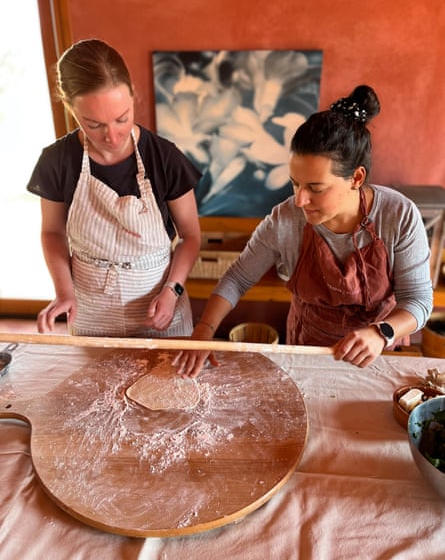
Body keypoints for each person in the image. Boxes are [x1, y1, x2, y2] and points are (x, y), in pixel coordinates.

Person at [175, 85, 433, 377]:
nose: (300, 200)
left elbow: (419, 300)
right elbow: (237, 278)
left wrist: (382, 331)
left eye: (315, 188)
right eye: (295, 183)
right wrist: (204, 331)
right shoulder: (285, 219)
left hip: (376, 352)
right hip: (306, 347)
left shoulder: (398, 215)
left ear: (356, 178)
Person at [27, 39, 202, 337]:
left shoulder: (165, 158)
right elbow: (52, 232)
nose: (112, 136)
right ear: (70, 107)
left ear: (132, 94)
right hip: (90, 308)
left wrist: (172, 291)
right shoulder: (56, 161)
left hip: (159, 306)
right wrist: (64, 291)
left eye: (122, 118)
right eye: (94, 125)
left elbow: (190, 236)